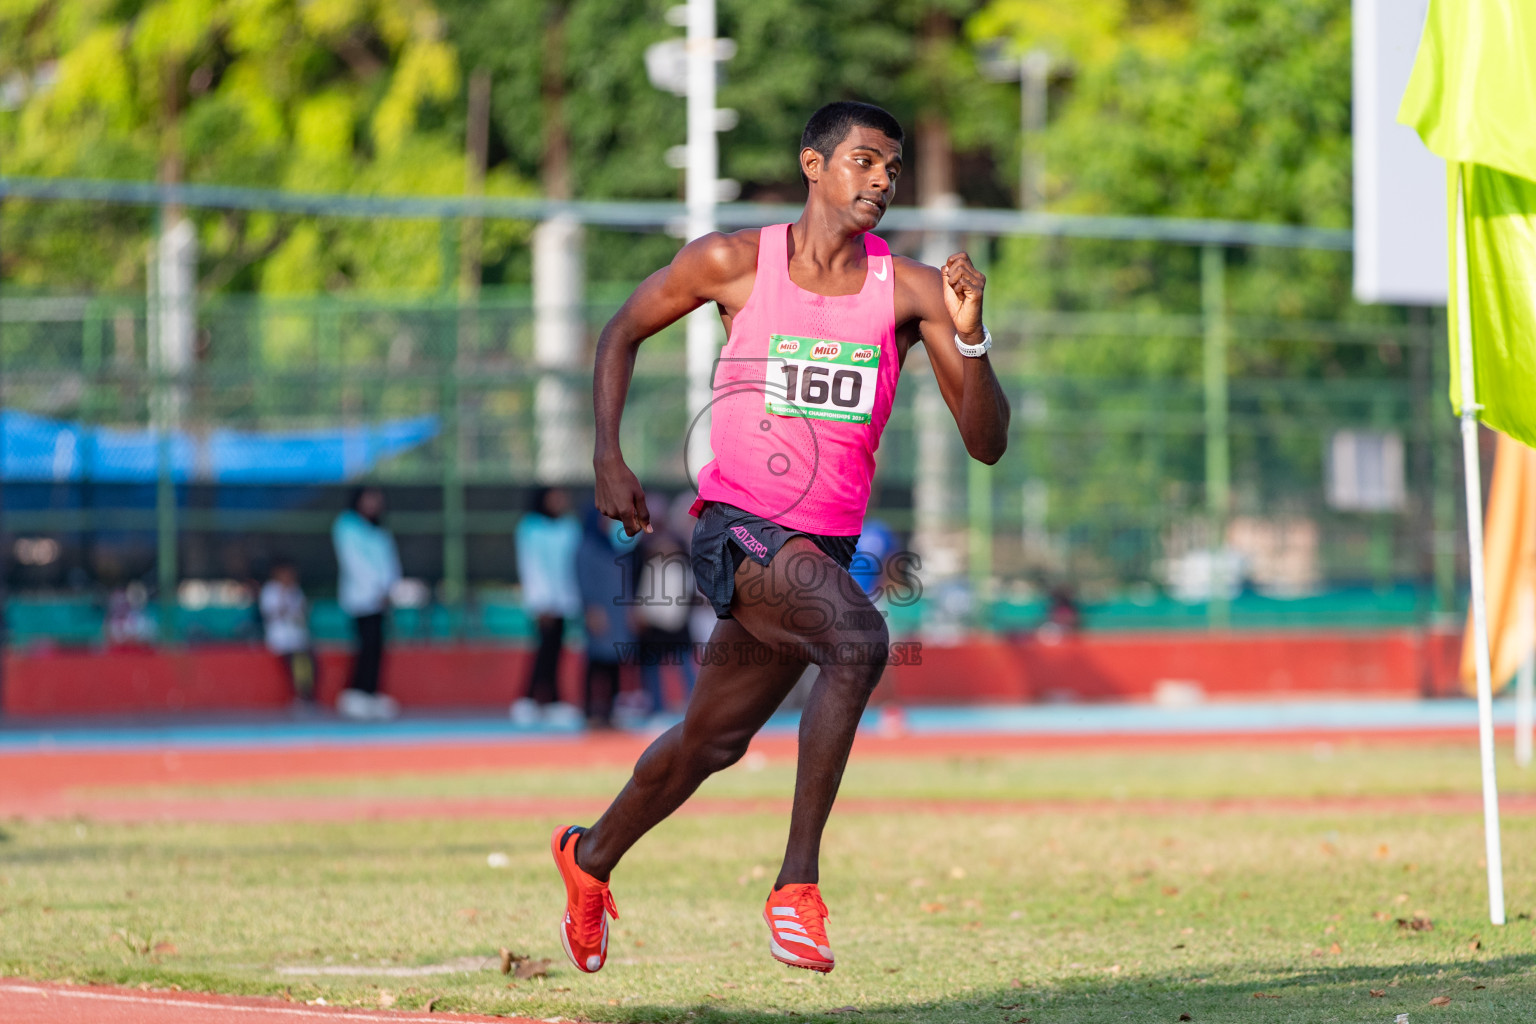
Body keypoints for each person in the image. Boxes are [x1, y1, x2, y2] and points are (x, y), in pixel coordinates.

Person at [550, 101, 1009, 975]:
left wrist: (972, 334)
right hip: (737, 528)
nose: (880, 181)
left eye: (892, 169)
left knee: (710, 743)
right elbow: (621, 331)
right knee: (859, 638)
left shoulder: (912, 291)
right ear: (813, 164)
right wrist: (607, 458)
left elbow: (985, 444)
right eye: (864, 161)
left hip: (818, 552)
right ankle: (796, 886)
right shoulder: (733, 261)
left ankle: (589, 855)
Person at [511, 487, 584, 727]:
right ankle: (529, 698)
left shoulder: (570, 527)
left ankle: (552, 700)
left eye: (562, 497)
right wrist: (543, 602)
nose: (559, 501)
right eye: (554, 497)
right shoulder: (530, 527)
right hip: (544, 603)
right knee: (543, 651)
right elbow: (530, 565)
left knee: (554, 650)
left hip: (564, 601)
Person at [332, 485, 401, 720]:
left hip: (382, 599)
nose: (373, 504)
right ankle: (356, 693)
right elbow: (354, 561)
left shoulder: (380, 530)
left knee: (378, 647)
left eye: (376, 499)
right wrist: (375, 588)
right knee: (366, 645)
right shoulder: (346, 525)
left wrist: (390, 588)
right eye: (368, 499)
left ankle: (371, 693)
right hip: (361, 598)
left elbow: (390, 562)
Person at [574, 508, 642, 729]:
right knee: (596, 662)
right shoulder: (586, 548)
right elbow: (583, 581)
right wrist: (591, 609)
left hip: (618, 614)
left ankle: (610, 711)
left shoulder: (613, 548)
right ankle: (590, 710)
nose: (607, 523)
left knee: (614, 662)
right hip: (599, 613)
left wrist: (630, 610)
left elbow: (626, 582)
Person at [259, 558, 317, 708]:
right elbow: (273, 614)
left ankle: (307, 697)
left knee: (309, 659)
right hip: (280, 639)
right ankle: (301, 697)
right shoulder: (270, 590)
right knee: (296, 660)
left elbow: (302, 616)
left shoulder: (296, 590)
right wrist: (284, 595)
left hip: (299, 637)